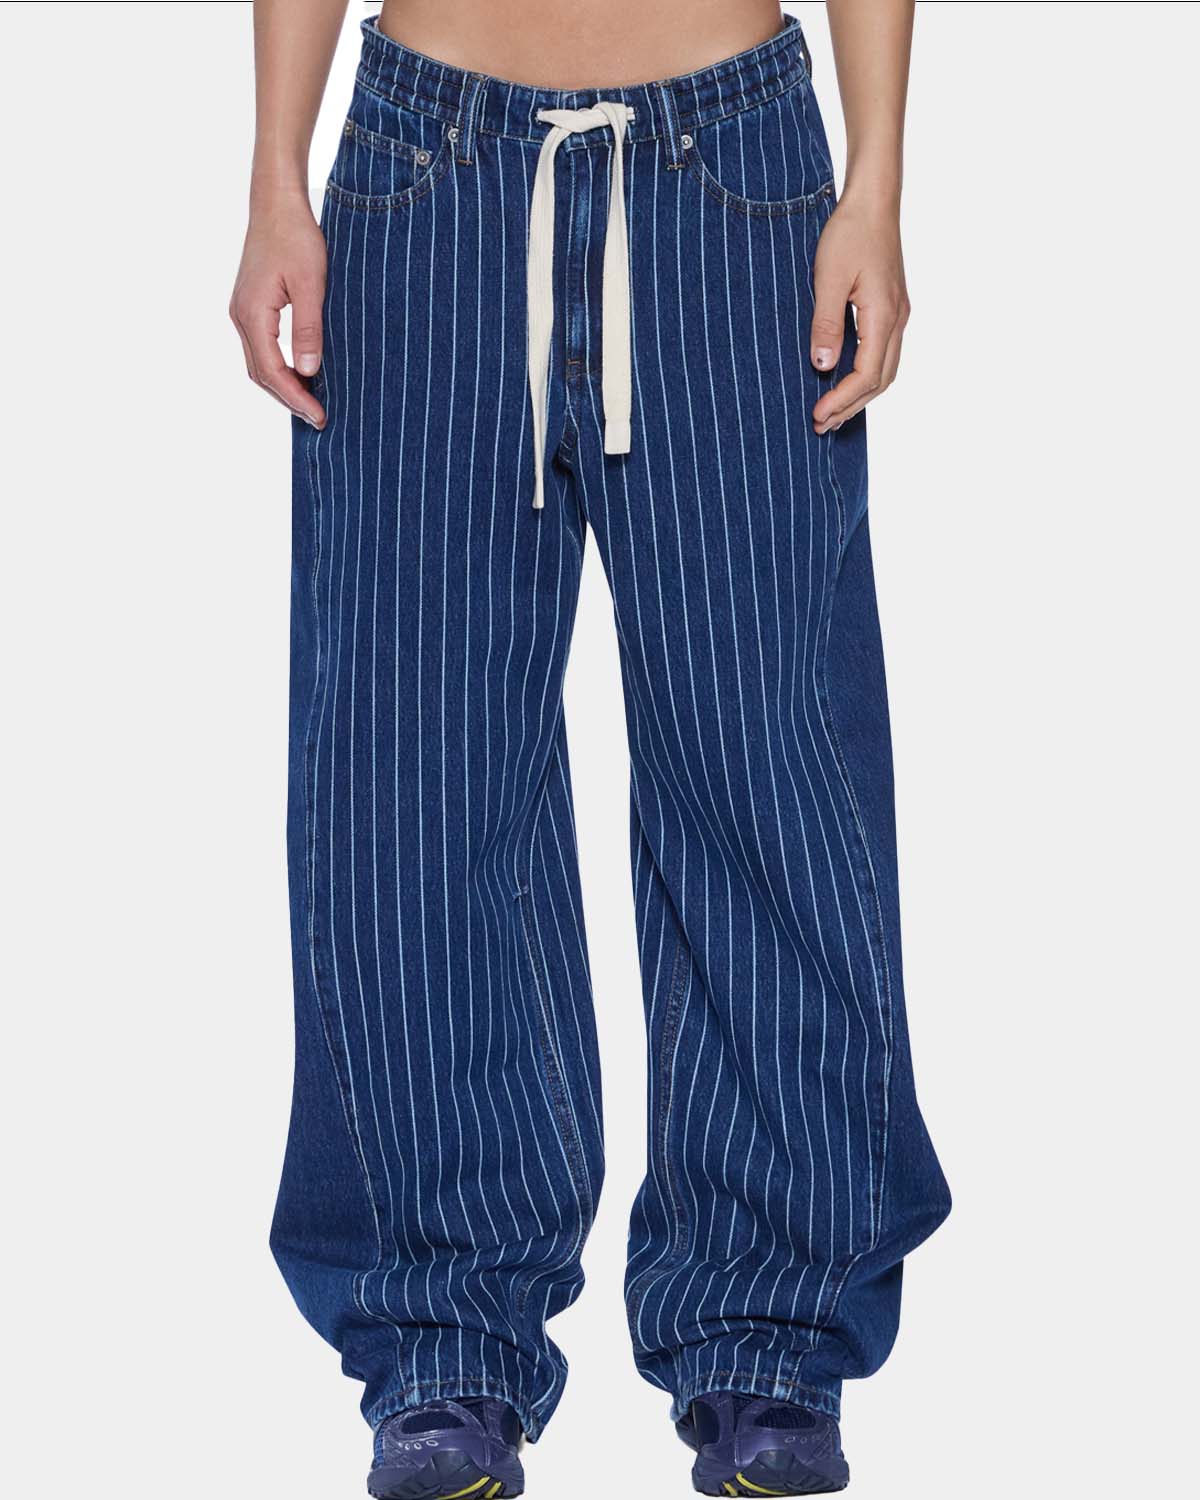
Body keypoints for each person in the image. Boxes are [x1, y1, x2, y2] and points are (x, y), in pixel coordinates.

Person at [230, 1, 950, 1493]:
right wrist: (275, 179)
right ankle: (446, 1345)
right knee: (416, 780)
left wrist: (874, 185)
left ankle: (769, 1336)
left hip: (734, 176)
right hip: (425, 171)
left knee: (766, 766)